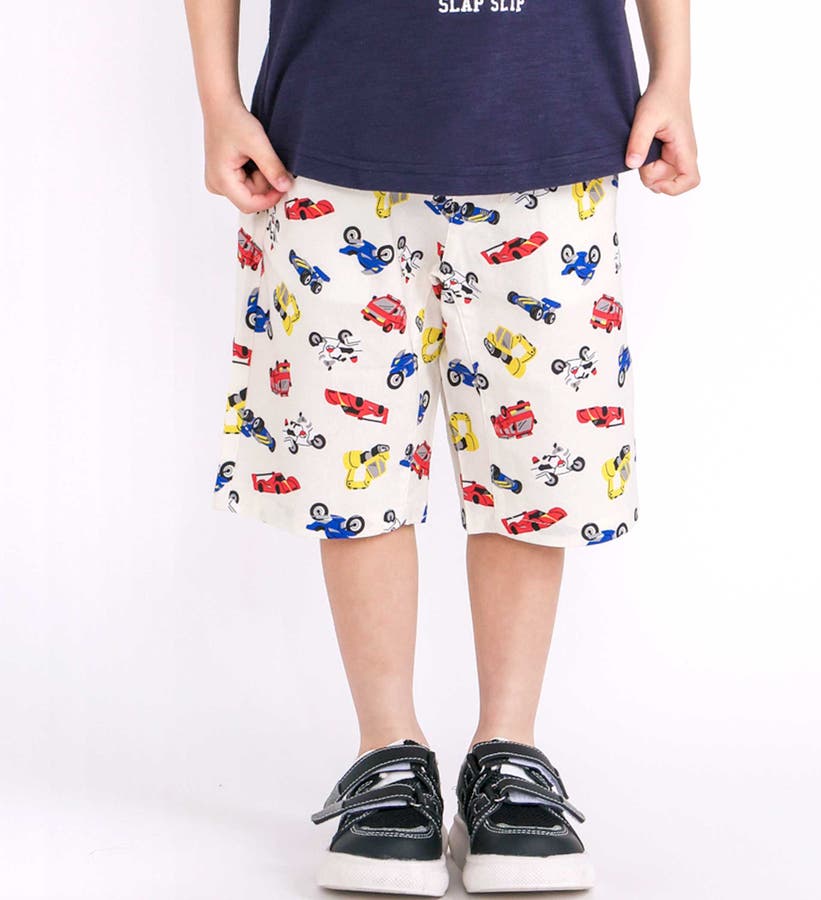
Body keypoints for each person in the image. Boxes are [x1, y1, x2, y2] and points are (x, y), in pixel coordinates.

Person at [185, 0, 699, 894]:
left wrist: (674, 72)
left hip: (552, 130)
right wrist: (217, 99)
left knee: (536, 458)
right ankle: (387, 751)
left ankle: (509, 753)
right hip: (329, 137)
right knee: (350, 461)